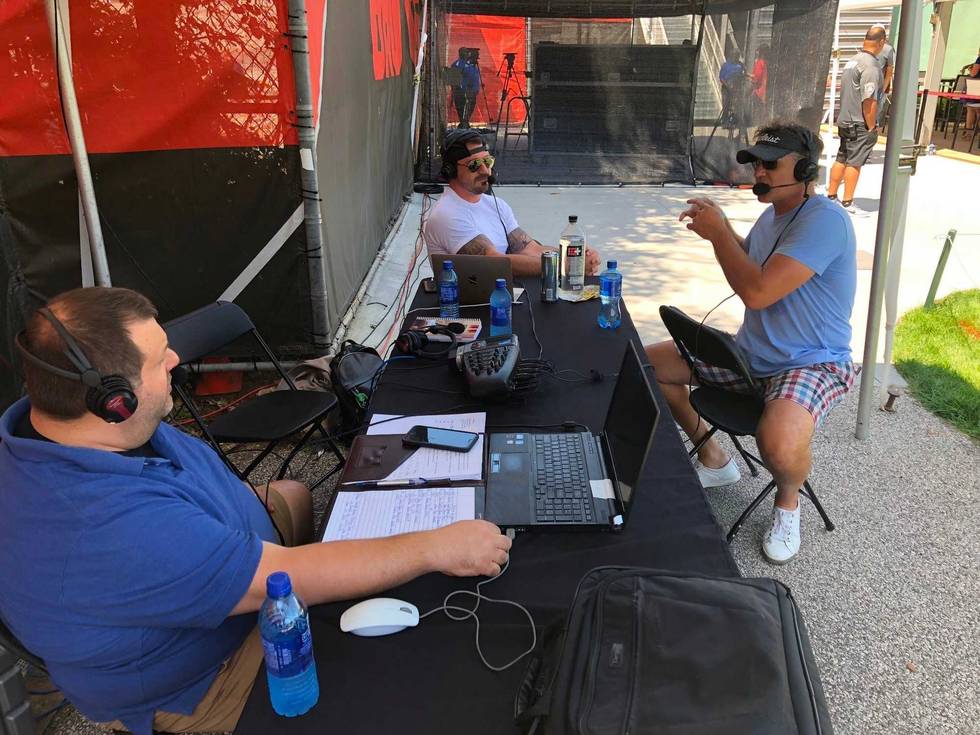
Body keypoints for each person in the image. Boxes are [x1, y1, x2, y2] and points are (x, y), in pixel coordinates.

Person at [0, 287, 512, 735]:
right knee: (387, 668)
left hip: (215, 549)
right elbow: (280, 579)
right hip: (205, 671)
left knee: (292, 494)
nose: (176, 359)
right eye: (158, 361)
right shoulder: (104, 525)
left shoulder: (60, 424)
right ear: (113, 401)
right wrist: (434, 546)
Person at [645, 122, 857, 565]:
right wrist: (724, 229)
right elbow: (755, 262)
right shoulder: (773, 215)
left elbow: (758, 291)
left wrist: (719, 235)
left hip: (810, 363)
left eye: (769, 164)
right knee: (648, 366)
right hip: (754, 354)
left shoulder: (825, 221)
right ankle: (714, 456)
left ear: (804, 169)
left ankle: (787, 504)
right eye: (755, 163)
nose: (758, 172)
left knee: (777, 443)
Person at [423, 128, 601, 277]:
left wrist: (573, 258)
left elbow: (529, 248)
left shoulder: (496, 205)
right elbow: (493, 262)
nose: (486, 171)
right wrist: (564, 268)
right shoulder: (447, 214)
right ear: (451, 171)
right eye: (474, 165)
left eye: (487, 161)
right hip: (464, 307)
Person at [827, 26, 885, 215]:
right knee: (855, 162)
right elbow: (869, 100)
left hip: (844, 119)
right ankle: (847, 202)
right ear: (881, 42)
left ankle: (831, 195)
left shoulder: (853, 61)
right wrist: (872, 125)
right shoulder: (871, 66)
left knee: (842, 157)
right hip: (859, 122)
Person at [450, 47, 481, 129]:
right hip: (462, 93)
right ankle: (464, 125)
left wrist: (476, 88)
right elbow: (453, 80)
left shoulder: (471, 64)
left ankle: (465, 124)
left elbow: (475, 77)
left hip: (472, 92)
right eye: (465, 53)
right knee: (463, 111)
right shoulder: (457, 64)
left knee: (469, 109)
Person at [748, 44, 769, 123]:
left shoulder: (759, 63)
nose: (757, 53)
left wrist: (746, 75)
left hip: (758, 92)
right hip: (763, 92)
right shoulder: (765, 63)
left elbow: (756, 78)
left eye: (758, 51)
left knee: (756, 114)